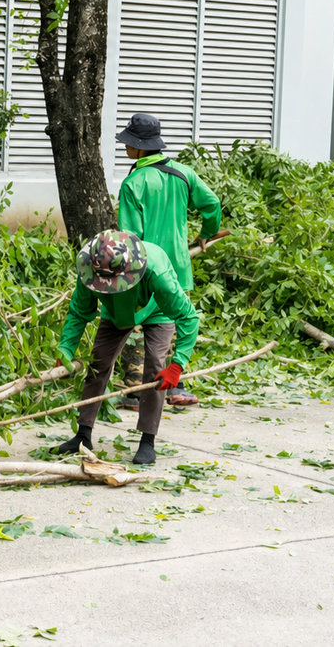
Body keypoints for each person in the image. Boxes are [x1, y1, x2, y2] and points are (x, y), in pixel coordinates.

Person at [54, 230, 200, 465]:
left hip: (157, 310)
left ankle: (147, 441)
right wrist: (66, 349)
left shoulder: (156, 272)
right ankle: (83, 434)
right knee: (97, 362)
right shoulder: (89, 268)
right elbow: (79, 312)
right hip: (116, 312)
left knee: (154, 368)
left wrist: (178, 364)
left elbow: (188, 317)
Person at [113, 113, 222, 411]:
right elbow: (211, 204)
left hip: (147, 270)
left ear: (139, 147)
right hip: (178, 267)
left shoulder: (133, 183)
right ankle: (176, 385)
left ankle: (136, 392)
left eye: (128, 144)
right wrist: (206, 233)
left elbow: (131, 238)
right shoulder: (184, 174)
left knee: (138, 324)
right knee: (170, 323)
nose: (125, 148)